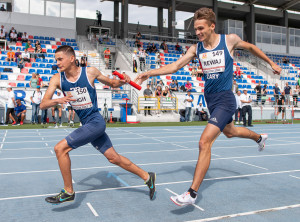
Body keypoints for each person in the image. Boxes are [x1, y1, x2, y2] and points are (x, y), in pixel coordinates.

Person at [134, 7, 281, 206]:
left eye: (201, 28)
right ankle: (258, 138)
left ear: (212, 26)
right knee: (230, 132)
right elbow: (175, 66)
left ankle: (192, 193)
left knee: (204, 142)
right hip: (210, 100)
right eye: (195, 29)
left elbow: (252, 48)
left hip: (226, 99)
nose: (198, 33)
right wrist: (149, 73)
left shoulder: (229, 40)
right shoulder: (196, 49)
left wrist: (271, 63)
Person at [41, 45, 156, 204]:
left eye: (60, 59)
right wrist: (58, 100)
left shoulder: (90, 72)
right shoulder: (57, 79)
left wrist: (124, 81)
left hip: (95, 122)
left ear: (72, 58)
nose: (57, 63)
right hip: (87, 124)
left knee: (60, 149)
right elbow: (43, 104)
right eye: (56, 60)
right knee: (113, 158)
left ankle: (68, 191)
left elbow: (112, 83)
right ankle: (147, 176)